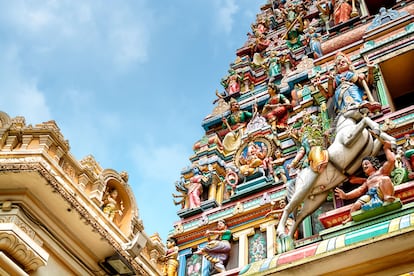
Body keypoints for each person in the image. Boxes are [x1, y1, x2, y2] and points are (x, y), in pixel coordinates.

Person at [335, 140, 396, 223]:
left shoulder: (382, 171)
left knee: (385, 179)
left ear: (373, 164)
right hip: (371, 195)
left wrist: (386, 149)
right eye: (363, 166)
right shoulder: (367, 181)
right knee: (356, 205)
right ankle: (350, 218)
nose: (364, 165)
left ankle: (387, 196)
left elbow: (391, 160)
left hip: (382, 191)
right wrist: (346, 196)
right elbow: (359, 190)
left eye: (367, 163)